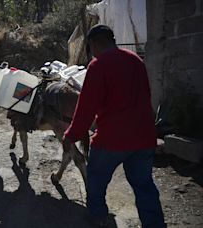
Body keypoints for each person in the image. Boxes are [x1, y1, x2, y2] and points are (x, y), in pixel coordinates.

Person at [62, 24, 166, 228]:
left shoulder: (98, 65)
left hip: (112, 140)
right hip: (144, 138)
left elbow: (86, 108)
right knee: (144, 186)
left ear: (92, 44)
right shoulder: (136, 60)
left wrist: (71, 134)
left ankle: (99, 218)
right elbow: (146, 96)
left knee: (95, 181)